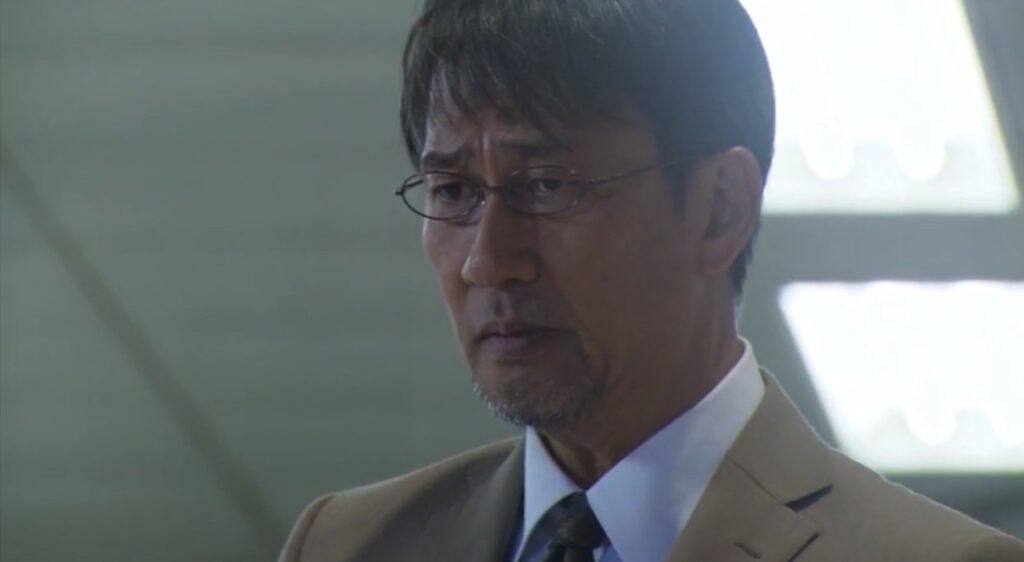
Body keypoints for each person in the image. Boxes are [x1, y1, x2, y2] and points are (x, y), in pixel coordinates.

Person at [279, 0, 1024, 560]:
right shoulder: (348, 544)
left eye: (547, 186)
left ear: (719, 209)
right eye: (452, 191)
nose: (487, 259)